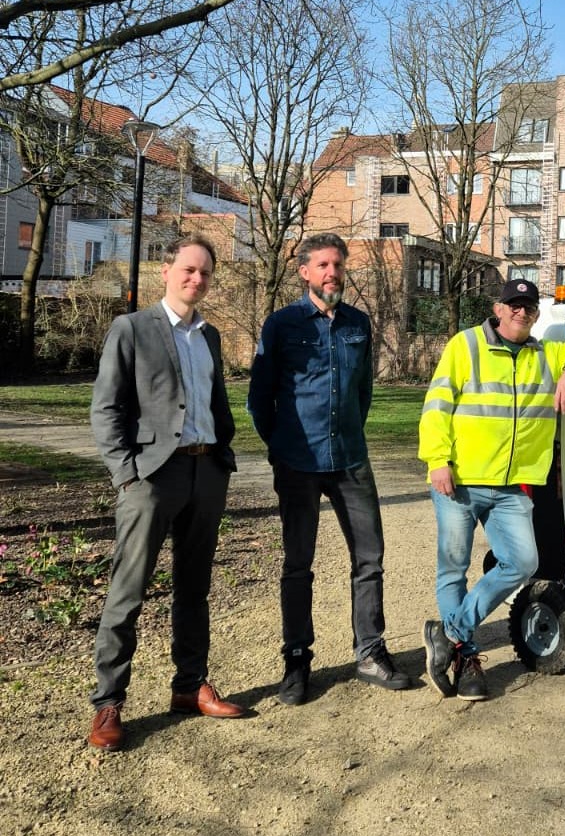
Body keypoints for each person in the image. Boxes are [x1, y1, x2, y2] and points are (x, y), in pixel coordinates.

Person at [417, 278, 565, 701]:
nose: (522, 312)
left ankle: (447, 634)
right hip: (461, 479)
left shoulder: (547, 354)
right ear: (499, 308)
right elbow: (437, 406)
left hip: (512, 486)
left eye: (529, 306)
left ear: (536, 314)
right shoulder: (465, 346)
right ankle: (467, 658)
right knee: (453, 568)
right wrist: (437, 461)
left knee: (523, 562)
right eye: (515, 305)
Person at [88, 234, 243, 751]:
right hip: (152, 478)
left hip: (205, 474)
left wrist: (223, 453)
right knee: (127, 592)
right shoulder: (132, 329)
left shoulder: (210, 336)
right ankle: (108, 703)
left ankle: (189, 686)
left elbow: (216, 402)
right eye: (188, 269)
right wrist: (126, 474)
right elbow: (106, 408)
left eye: (205, 273)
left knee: (194, 588)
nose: (196, 279)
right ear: (167, 270)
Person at [248, 232, 411, 705]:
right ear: (303, 271)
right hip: (297, 462)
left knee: (369, 558)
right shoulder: (281, 324)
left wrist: (348, 436)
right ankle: (297, 660)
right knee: (298, 565)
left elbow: (362, 393)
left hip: (350, 461)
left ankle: (370, 651)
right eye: (322, 265)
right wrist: (280, 446)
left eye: (338, 265)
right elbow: (260, 398)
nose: (332, 273)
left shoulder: (359, 323)